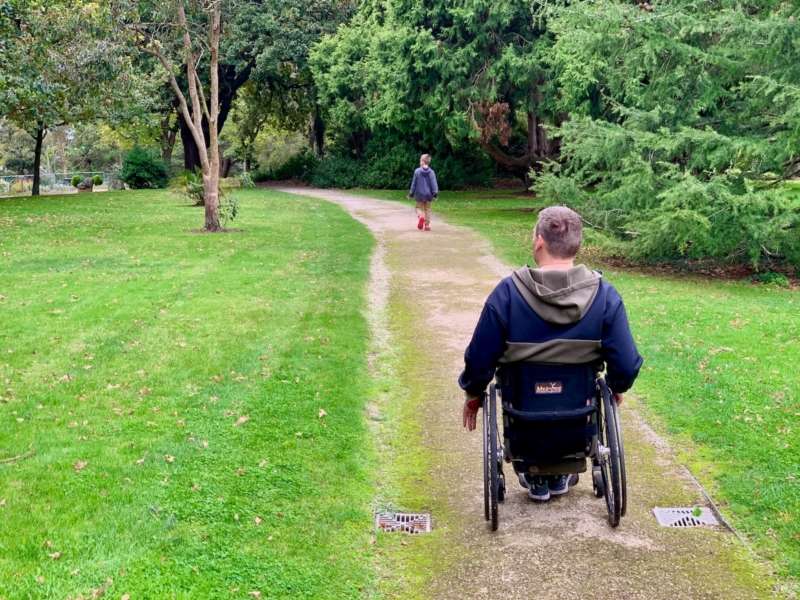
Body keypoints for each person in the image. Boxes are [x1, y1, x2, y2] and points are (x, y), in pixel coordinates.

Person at [458, 206, 643, 502]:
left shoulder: (507, 294)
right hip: (578, 415)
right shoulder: (605, 296)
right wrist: (616, 387)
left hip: (523, 415)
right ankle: (560, 473)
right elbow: (626, 364)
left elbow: (480, 358)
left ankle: (536, 475)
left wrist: (473, 393)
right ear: (577, 244)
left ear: (538, 241)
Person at [408, 154, 439, 231]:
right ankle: (427, 225)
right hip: (429, 195)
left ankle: (421, 217)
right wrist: (435, 194)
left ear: (422, 161)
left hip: (419, 195)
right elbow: (434, 184)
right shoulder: (431, 172)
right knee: (427, 209)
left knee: (418, 208)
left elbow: (414, 184)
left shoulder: (417, 171)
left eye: (420, 160)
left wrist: (411, 194)